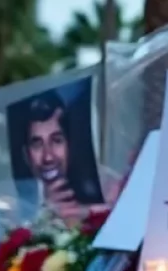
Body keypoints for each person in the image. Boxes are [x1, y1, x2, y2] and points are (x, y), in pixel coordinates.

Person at [10, 87, 103, 220]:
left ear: (70, 145)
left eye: (57, 140)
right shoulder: (12, 210)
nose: (48, 157)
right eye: (37, 144)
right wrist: (45, 214)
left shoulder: (101, 193)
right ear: (26, 155)